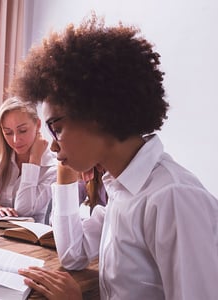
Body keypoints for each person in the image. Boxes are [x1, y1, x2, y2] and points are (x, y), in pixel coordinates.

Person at [12, 15, 218, 299]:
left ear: (96, 114)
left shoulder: (171, 197)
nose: (51, 145)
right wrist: (65, 169)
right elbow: (73, 255)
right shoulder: (123, 189)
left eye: (56, 128)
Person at [0, 97, 57, 223]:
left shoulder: (53, 167)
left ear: (38, 125)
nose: (16, 140)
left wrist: (34, 161)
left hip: (30, 239)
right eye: (8, 132)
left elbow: (24, 211)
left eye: (22, 131)